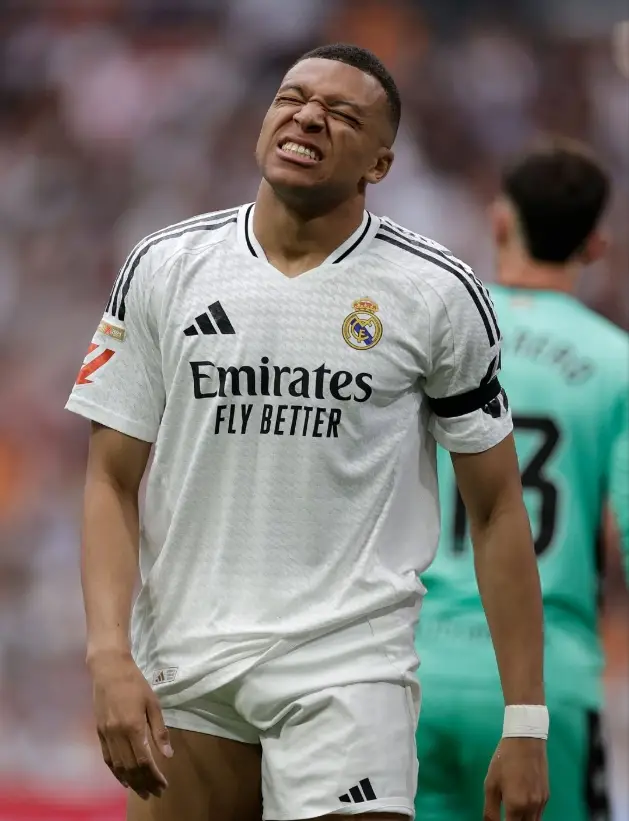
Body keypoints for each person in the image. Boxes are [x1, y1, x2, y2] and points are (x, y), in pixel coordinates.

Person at [66, 43, 549, 821]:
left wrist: (525, 720)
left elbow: (495, 508)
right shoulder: (164, 266)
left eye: (342, 114)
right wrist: (108, 657)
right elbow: (110, 479)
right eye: (293, 98)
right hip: (187, 661)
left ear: (379, 163)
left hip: (349, 668)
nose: (308, 118)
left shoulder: (434, 292)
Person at [415, 140, 629, 821]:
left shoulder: (435, 339)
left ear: (499, 221)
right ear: (596, 245)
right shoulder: (617, 363)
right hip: (545, 682)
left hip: (410, 670)